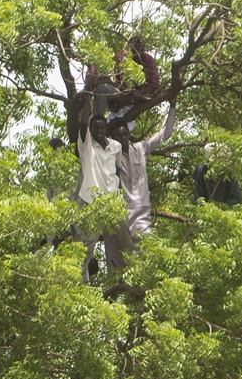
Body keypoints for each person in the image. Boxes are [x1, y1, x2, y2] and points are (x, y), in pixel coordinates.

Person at [72, 115, 130, 281]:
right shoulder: (87, 146)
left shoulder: (116, 146)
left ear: (106, 129)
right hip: (93, 202)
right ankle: (78, 283)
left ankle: (133, 278)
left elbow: (116, 169)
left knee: (126, 242)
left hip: (112, 202)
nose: (99, 131)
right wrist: (84, 109)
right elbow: (83, 125)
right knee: (86, 246)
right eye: (95, 128)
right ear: (91, 129)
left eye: (101, 127)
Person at [113, 98, 177, 248]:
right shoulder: (111, 156)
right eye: (119, 135)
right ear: (113, 138)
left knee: (145, 248)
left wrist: (173, 106)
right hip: (122, 213)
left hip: (141, 211)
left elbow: (164, 134)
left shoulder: (140, 149)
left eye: (125, 134)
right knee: (125, 254)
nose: (123, 138)